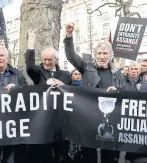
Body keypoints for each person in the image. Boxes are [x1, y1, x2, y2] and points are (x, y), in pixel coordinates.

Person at [64, 22, 125, 163]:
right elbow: (71, 55)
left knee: (109, 156)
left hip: (110, 119)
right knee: (88, 154)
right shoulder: (86, 68)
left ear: (110, 56)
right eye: (99, 53)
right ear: (95, 55)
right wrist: (69, 35)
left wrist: (117, 92)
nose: (102, 56)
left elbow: (124, 95)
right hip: (89, 117)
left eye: (105, 53)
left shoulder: (118, 74)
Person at [24, 29, 71, 163]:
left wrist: (62, 85)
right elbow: (29, 67)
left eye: (49, 59)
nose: (46, 62)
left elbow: (73, 93)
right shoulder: (38, 72)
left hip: (61, 120)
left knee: (61, 153)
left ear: (56, 60)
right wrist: (31, 43)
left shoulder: (66, 74)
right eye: (44, 59)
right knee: (42, 154)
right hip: (43, 119)